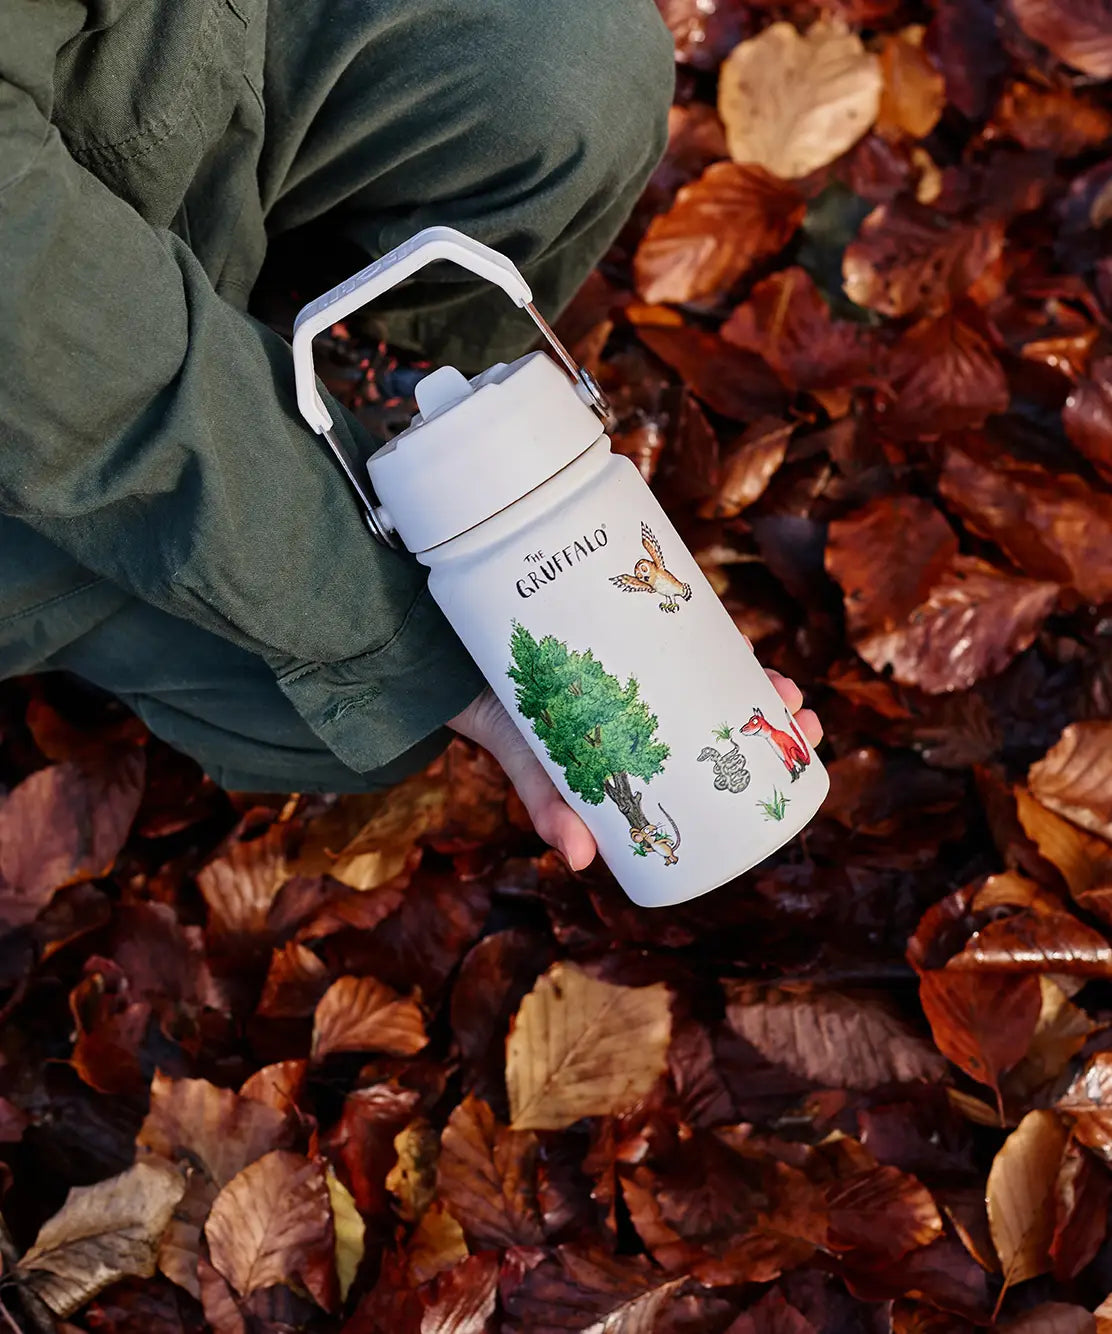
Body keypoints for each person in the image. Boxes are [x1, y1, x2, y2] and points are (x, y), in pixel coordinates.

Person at [0, 0, 821, 872]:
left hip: (163, 64)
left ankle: (353, 374)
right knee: (364, 722)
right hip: (36, 368)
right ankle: (82, 621)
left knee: (572, 77)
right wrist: (392, 634)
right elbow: (48, 328)